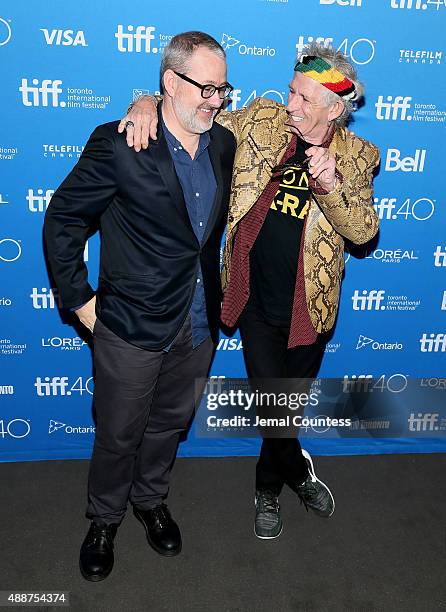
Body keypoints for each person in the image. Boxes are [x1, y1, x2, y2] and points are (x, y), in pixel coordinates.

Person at [121, 42, 380, 540]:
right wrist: (147, 102)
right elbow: (193, 116)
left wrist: (329, 185)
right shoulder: (262, 120)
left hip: (310, 306)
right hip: (256, 300)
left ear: (334, 108)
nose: (292, 106)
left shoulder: (357, 157)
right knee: (272, 405)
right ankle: (296, 474)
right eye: (291, 92)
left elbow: (364, 231)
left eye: (305, 99)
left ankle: (267, 486)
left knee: (284, 408)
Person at [44, 31, 236, 581]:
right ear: (170, 81)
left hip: (199, 323)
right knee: (119, 431)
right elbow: (63, 220)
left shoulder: (222, 142)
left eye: (223, 89)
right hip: (129, 324)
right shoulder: (120, 142)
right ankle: (104, 519)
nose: (215, 100)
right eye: (205, 87)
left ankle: (150, 501)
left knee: (169, 426)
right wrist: (79, 300)